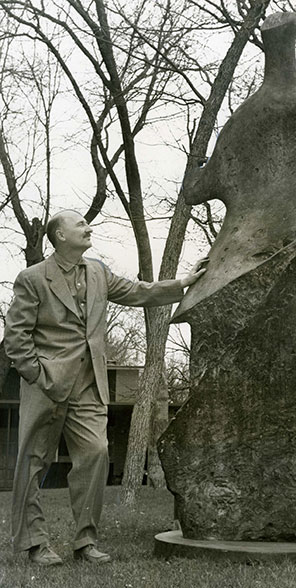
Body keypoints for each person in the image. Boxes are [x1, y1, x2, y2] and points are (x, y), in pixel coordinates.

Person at [4, 209, 206, 566]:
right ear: (60, 236)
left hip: (89, 388)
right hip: (46, 387)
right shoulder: (33, 278)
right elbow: (16, 339)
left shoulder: (97, 271)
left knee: (96, 454)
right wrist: (37, 375)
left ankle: (85, 542)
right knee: (33, 464)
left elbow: (136, 291)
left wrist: (183, 283)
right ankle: (35, 543)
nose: (88, 226)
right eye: (80, 224)